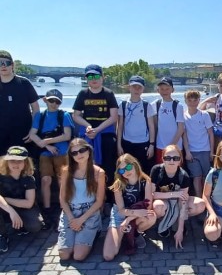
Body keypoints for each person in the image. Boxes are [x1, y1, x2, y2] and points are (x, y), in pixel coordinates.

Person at [72, 64, 118, 205]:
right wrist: (88, 126)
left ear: (102, 77)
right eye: (90, 76)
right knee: (87, 167)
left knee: (108, 167)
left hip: (105, 134)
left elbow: (113, 117)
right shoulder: (83, 94)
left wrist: (97, 130)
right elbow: (76, 115)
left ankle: (108, 200)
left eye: (96, 76)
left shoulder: (109, 94)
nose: (94, 79)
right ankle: (90, 197)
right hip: (88, 135)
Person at [29, 89, 74, 227]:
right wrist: (47, 146)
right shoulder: (40, 116)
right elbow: (32, 134)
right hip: (46, 152)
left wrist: (47, 141)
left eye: (57, 102)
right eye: (51, 101)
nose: (54, 104)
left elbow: (67, 135)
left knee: (62, 179)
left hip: (62, 151)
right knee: (45, 180)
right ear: (45, 100)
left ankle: (63, 207)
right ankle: (47, 209)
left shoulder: (64, 115)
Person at [57, 139, 105, 261]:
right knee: (64, 255)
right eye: (74, 153)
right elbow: (62, 199)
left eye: (82, 150)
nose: (79, 154)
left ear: (88, 151)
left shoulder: (98, 172)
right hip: (70, 211)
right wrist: (72, 219)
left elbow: (99, 202)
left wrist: (81, 220)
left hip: (89, 212)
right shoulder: (66, 171)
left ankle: (94, 232)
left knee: (78, 256)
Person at [103, 154, 156, 261]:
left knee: (151, 216)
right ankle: (124, 235)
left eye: (128, 167)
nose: (126, 172)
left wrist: (128, 220)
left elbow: (148, 205)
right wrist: (127, 218)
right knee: (108, 255)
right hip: (120, 215)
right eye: (122, 170)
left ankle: (135, 233)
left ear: (134, 164)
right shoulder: (118, 184)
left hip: (136, 214)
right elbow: (121, 210)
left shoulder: (145, 181)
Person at [151, 145, 205, 248]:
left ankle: (176, 223)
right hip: (163, 201)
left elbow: (183, 203)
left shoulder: (183, 175)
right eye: (167, 158)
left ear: (180, 160)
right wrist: (173, 194)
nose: (171, 161)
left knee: (200, 204)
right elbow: (152, 194)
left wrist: (180, 230)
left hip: (178, 203)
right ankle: (163, 222)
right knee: (158, 206)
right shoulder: (156, 170)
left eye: (175, 158)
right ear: (162, 159)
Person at [0, 146, 43, 253]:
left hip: (22, 208)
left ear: (26, 162)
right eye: (12, 161)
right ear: (6, 162)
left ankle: (19, 226)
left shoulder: (29, 178)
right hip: (3, 208)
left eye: (19, 161)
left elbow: (28, 203)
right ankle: (2, 235)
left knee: (35, 226)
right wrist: (11, 211)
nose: (16, 164)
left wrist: (6, 200)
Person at [0, 50, 39, 156]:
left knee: (23, 164)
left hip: (23, 135)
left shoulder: (24, 83)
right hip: (1, 136)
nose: (3, 66)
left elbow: (36, 109)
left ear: (12, 65)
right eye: (0, 63)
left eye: (6, 63)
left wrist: (33, 131)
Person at [117, 75, 155, 174]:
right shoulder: (123, 105)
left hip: (143, 143)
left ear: (143, 89)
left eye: (139, 87)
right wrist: (119, 144)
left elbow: (151, 127)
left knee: (142, 170)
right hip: (127, 143)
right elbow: (120, 126)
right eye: (134, 87)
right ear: (129, 87)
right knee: (127, 169)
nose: (136, 90)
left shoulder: (146, 105)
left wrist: (151, 145)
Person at [183, 89, 214, 198]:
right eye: (189, 100)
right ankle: (198, 198)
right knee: (196, 176)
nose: (192, 103)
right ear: (185, 101)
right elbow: (184, 135)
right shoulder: (183, 116)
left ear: (198, 101)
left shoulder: (204, 115)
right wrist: (187, 152)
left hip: (205, 150)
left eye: (195, 100)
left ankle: (206, 197)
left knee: (206, 176)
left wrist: (212, 151)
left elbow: (210, 133)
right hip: (192, 151)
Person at [199, 72, 222, 150]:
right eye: (221, 86)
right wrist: (206, 101)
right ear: (218, 86)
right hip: (216, 131)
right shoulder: (217, 97)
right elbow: (199, 110)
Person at [153, 77, 184, 165]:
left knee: (176, 169)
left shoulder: (178, 105)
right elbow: (155, 125)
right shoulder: (155, 104)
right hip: (160, 145)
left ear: (172, 90)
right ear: (158, 90)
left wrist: (171, 146)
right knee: (161, 169)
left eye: (167, 89)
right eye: (162, 89)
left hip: (176, 147)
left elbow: (181, 128)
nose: (164, 91)